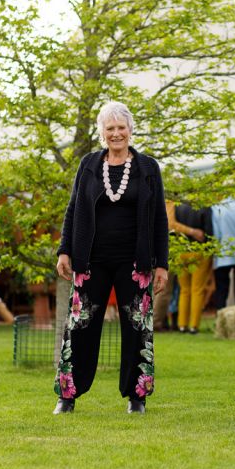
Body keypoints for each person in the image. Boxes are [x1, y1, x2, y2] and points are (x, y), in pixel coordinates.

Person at [54, 101, 169, 415]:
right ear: (101, 132)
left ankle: (137, 397)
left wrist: (162, 264)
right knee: (79, 328)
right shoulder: (89, 164)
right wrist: (64, 250)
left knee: (137, 329)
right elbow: (74, 208)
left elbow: (159, 217)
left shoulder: (148, 168)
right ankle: (68, 395)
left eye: (121, 128)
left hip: (136, 263)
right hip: (90, 261)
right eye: (110, 129)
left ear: (130, 130)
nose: (116, 134)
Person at [175, 202, 213, 333]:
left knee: (184, 290)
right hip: (199, 251)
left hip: (181, 251)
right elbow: (209, 231)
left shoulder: (177, 206)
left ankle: (181, 324)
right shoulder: (204, 206)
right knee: (197, 289)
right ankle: (193, 326)